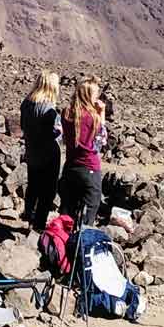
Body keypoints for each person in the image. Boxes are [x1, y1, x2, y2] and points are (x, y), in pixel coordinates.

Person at [58, 77, 108, 227]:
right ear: (88, 96)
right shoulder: (93, 117)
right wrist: (102, 113)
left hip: (71, 167)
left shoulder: (67, 113)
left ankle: (61, 242)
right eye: (95, 95)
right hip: (89, 168)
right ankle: (80, 242)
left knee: (68, 210)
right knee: (90, 208)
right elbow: (102, 142)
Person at [19, 71, 62, 230]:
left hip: (32, 150)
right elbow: (54, 132)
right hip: (48, 154)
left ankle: (28, 213)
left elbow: (23, 126)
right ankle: (38, 225)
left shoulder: (26, 103)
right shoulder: (49, 108)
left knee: (33, 185)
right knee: (47, 191)